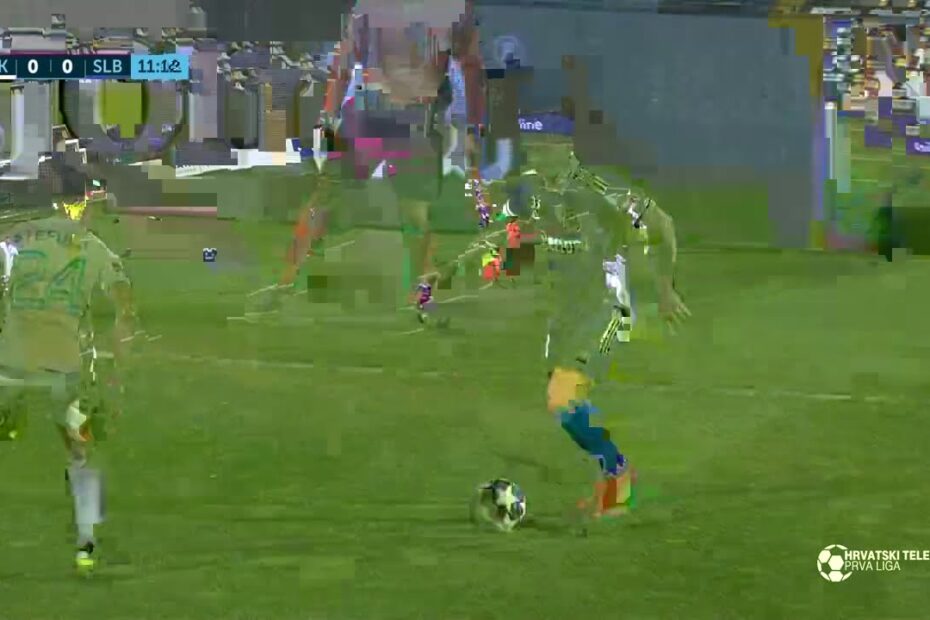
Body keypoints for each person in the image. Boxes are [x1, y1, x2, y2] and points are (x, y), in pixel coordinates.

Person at [526, 152, 690, 518]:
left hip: (605, 310)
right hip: (564, 317)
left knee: (562, 397)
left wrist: (665, 289)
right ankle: (614, 474)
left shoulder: (599, 188)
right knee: (565, 404)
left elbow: (661, 224)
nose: (538, 150)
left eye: (547, 142)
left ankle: (619, 477)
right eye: (533, 142)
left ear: (565, 146)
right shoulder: (537, 189)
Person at [0, 199, 137, 573]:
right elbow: (122, 301)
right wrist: (117, 365)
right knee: (80, 446)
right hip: (63, 363)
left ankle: (10, 416)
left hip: (10, 360)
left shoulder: (18, 235)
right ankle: (87, 544)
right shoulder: (91, 245)